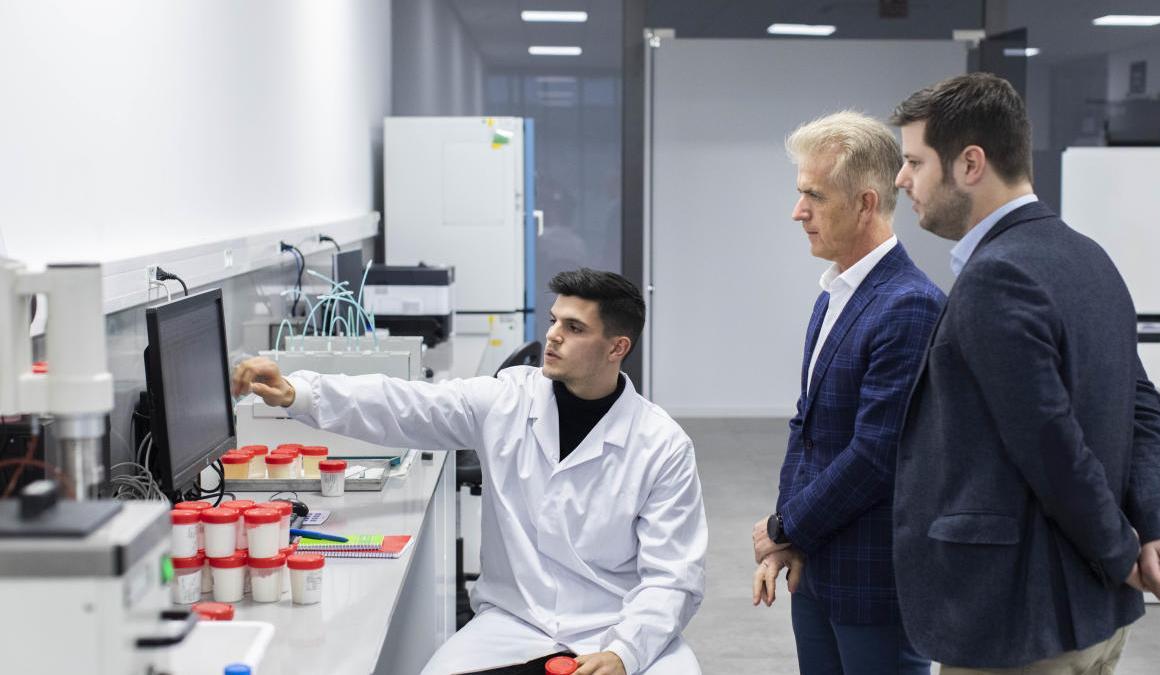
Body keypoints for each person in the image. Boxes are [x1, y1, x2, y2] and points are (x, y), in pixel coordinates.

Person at [232, 269, 706, 675]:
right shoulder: (507, 400)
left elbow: (673, 578)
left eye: (575, 328)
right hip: (514, 621)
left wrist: (623, 652)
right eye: (555, 320)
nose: (555, 335)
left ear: (616, 347)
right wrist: (299, 392)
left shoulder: (661, 445)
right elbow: (402, 404)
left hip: (617, 622)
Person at [890, 72, 1160, 673]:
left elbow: (1052, 447)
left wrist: (1121, 550)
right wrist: (1155, 525)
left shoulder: (996, 277)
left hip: (1019, 626)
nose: (903, 180)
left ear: (970, 163)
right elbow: (1145, 413)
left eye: (914, 162)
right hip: (1095, 616)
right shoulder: (1089, 257)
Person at [750, 110, 944, 674]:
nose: (798, 211)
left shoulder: (909, 304)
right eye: (799, 192)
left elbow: (876, 453)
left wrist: (788, 526)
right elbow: (806, 428)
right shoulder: (834, 294)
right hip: (817, 565)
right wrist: (789, 535)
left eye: (814, 195)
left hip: (872, 579)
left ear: (864, 203)